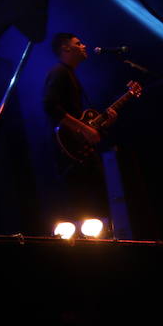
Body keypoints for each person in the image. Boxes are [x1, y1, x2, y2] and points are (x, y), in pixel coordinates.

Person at [42, 32, 110, 221]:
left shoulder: (70, 74)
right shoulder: (59, 72)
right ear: (66, 48)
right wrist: (84, 129)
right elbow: (49, 106)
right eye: (78, 43)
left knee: (96, 196)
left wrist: (101, 121)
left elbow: (79, 115)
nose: (84, 46)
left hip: (79, 147)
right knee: (83, 199)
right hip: (68, 150)